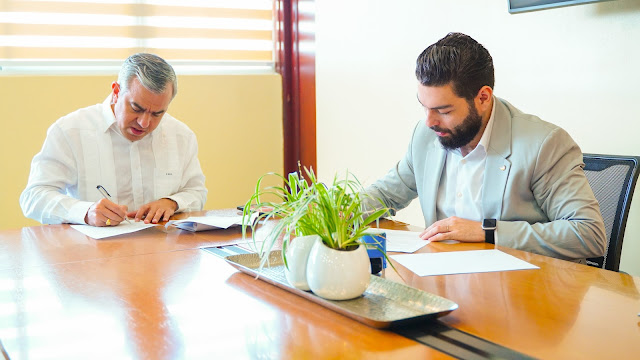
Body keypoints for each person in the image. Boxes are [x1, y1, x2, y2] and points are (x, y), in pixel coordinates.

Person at [365, 33, 606, 262]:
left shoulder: (544, 144)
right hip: (442, 277)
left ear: (483, 97)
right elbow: (385, 194)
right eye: (424, 107)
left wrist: (487, 231)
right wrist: (334, 210)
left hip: (520, 289)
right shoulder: (427, 135)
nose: (430, 121)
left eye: (444, 111)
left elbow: (587, 233)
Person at [20, 53, 207, 227]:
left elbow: (196, 192)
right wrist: (85, 212)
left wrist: (172, 203)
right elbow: (34, 197)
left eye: (157, 114)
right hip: (91, 254)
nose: (144, 123)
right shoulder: (70, 131)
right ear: (116, 91)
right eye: (136, 108)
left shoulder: (181, 136)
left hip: (162, 252)